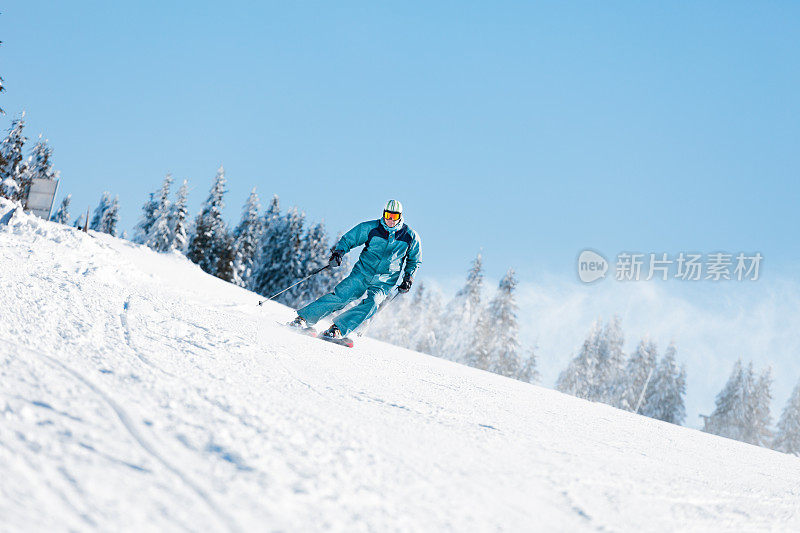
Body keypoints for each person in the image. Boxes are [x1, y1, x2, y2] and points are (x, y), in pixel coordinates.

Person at [289, 199, 421, 340]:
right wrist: (338, 252)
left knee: (373, 303)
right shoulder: (371, 228)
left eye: (394, 216)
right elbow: (349, 239)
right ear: (383, 213)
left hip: (385, 281)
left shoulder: (410, 236)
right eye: (388, 215)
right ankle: (302, 319)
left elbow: (414, 260)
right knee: (341, 296)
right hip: (362, 272)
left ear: (400, 216)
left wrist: (408, 277)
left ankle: (337, 329)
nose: (390, 219)